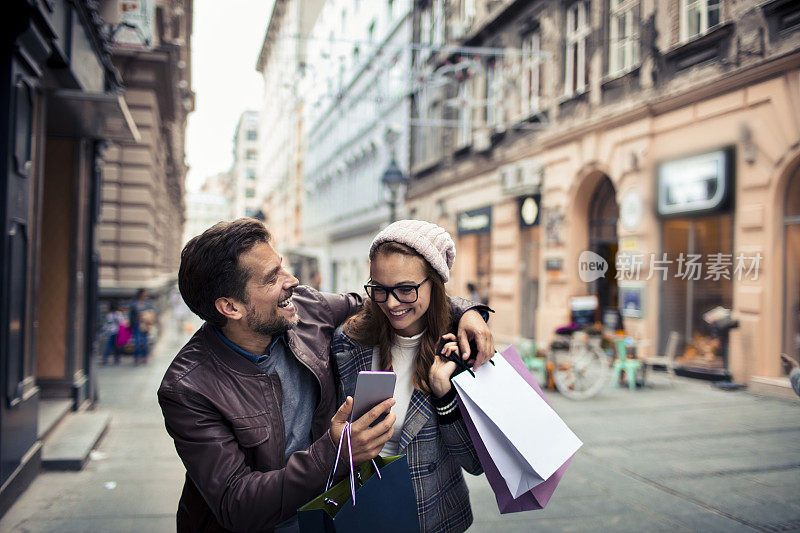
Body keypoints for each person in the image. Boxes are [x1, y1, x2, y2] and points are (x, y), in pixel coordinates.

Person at [157, 218, 494, 532]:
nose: (292, 282)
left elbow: (389, 300)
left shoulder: (305, 308)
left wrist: (469, 312)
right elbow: (237, 504)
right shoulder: (189, 387)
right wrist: (336, 449)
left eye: (283, 267)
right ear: (230, 307)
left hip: (336, 517)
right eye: (272, 278)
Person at [332, 220, 490, 533]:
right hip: (364, 513)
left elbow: (475, 463)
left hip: (433, 517)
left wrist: (444, 395)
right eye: (380, 289)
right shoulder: (349, 342)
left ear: (434, 283)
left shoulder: (460, 349)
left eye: (406, 289)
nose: (391, 303)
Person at [129, 288, 152, 365]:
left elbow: (151, 312)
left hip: (145, 325)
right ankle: (136, 358)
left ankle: (145, 357)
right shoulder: (134, 303)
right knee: (137, 342)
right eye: (144, 293)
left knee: (145, 342)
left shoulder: (147, 302)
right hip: (136, 325)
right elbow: (131, 314)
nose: (145, 295)